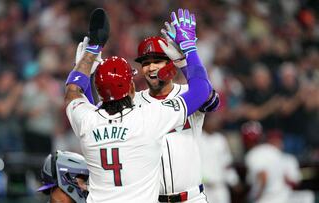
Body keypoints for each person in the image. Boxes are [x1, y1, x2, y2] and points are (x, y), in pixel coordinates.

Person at [65, 9, 212, 202]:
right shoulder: (147, 118)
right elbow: (201, 90)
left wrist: (87, 60)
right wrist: (188, 49)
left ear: (99, 92)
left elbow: (73, 93)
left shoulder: (88, 121)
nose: (151, 67)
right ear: (132, 87)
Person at [132, 19, 219, 203]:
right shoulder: (134, 102)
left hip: (192, 198)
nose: (151, 67)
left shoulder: (189, 93)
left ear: (170, 63)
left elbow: (212, 102)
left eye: (158, 61)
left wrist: (184, 62)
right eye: (146, 63)